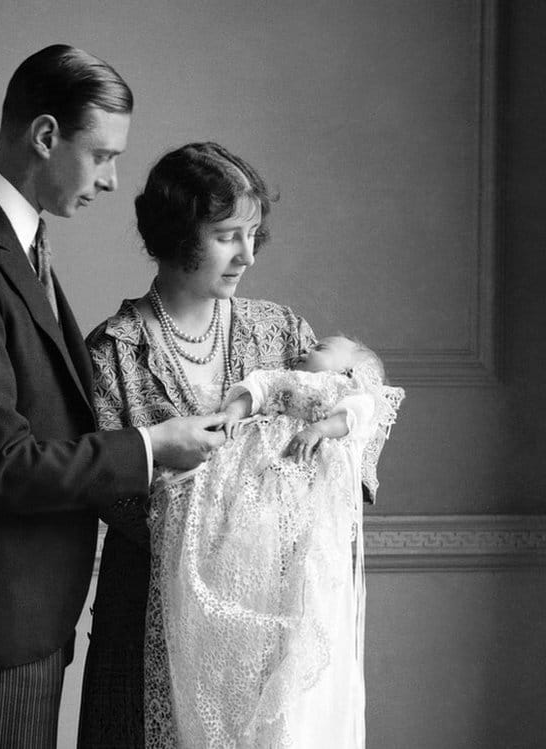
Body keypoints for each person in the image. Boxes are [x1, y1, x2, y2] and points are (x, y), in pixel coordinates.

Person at [0, 46, 227, 749]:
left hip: (18, 607)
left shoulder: (13, 242)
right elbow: (2, 464)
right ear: (46, 136)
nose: (114, 180)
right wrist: (153, 447)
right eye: (103, 155)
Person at [78, 142, 322, 747]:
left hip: (268, 622)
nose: (247, 255)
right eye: (226, 235)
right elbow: (112, 494)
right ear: (177, 233)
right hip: (145, 623)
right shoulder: (113, 353)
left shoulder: (283, 332)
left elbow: (349, 435)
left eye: (253, 233)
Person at [150, 335, 403, 747]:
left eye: (323, 347)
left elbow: (356, 416)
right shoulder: (284, 377)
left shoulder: (345, 391)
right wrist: (233, 411)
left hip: (295, 486)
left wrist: (320, 429)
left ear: (348, 370)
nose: (307, 349)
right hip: (248, 473)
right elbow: (256, 389)